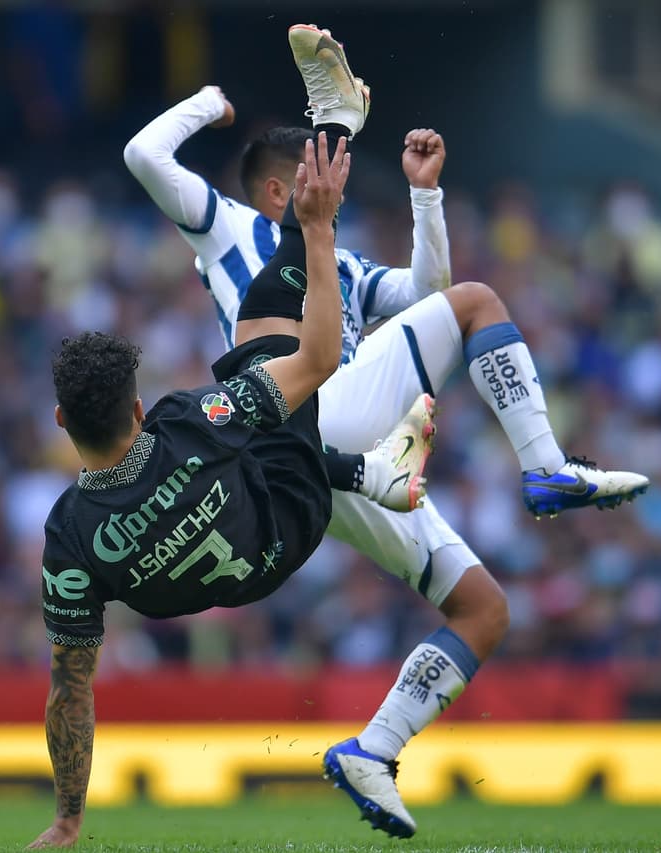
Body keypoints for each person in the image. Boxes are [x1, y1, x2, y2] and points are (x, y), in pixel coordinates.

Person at [122, 24, 649, 836]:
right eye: (318, 166)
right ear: (277, 190)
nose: (328, 184)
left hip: (332, 457)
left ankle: (374, 748)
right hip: (302, 408)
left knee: (484, 610)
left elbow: (424, 291)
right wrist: (208, 103)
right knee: (479, 302)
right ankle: (544, 466)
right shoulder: (226, 226)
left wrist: (426, 196)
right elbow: (145, 158)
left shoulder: (340, 263)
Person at [28, 134, 435, 849]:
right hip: (291, 514)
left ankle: (372, 474)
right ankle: (370, 467)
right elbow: (316, 357)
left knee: (248, 427)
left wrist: (67, 819)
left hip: (236, 573)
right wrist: (312, 231)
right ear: (135, 409)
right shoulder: (187, 422)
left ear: (62, 420)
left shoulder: (67, 535)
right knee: (256, 333)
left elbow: (71, 687)